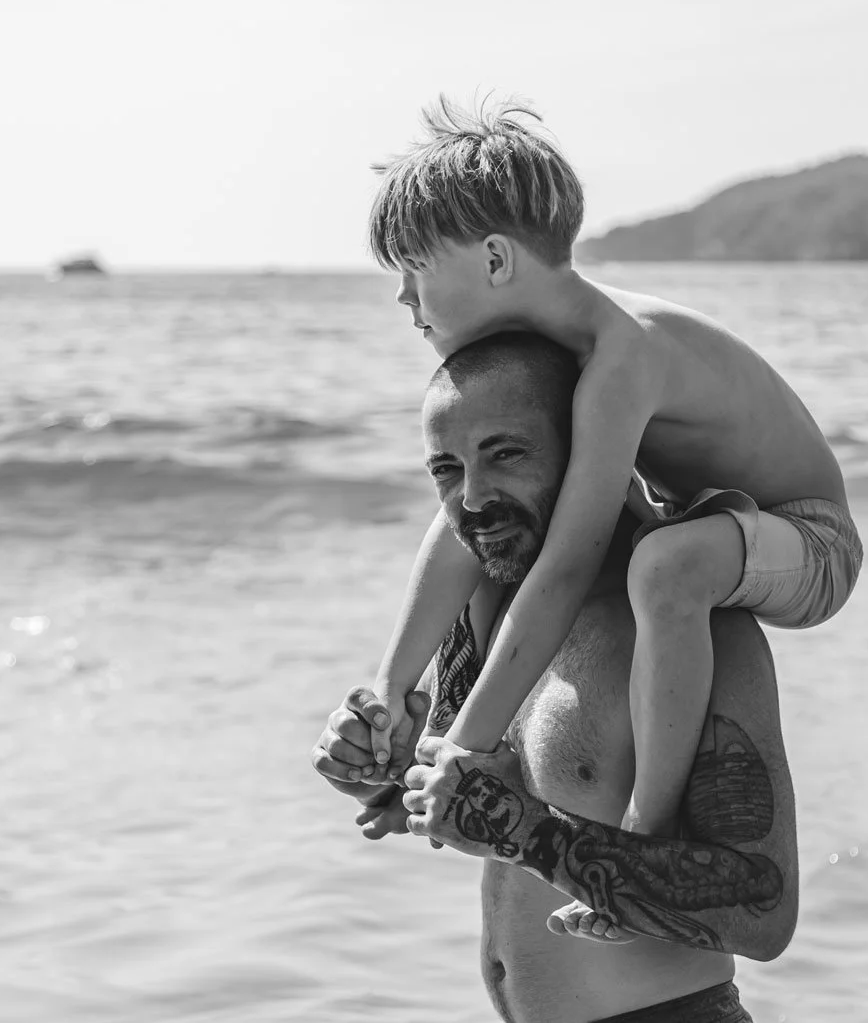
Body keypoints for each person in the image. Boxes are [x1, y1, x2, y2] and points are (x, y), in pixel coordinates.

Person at [361, 97, 857, 938]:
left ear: (492, 259)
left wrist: (463, 747)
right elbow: (467, 525)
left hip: (809, 540)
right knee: (489, 495)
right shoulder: (564, 352)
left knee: (662, 568)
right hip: (706, 519)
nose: (404, 298)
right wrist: (389, 694)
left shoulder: (619, 358)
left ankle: (649, 829)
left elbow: (562, 568)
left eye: (412, 268)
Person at [313, 333, 798, 1022]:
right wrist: (364, 759)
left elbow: (764, 910)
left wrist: (526, 830)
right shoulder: (493, 606)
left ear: (586, 450)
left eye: (505, 454)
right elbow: (437, 788)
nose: (474, 497)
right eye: (447, 468)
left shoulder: (687, 622)